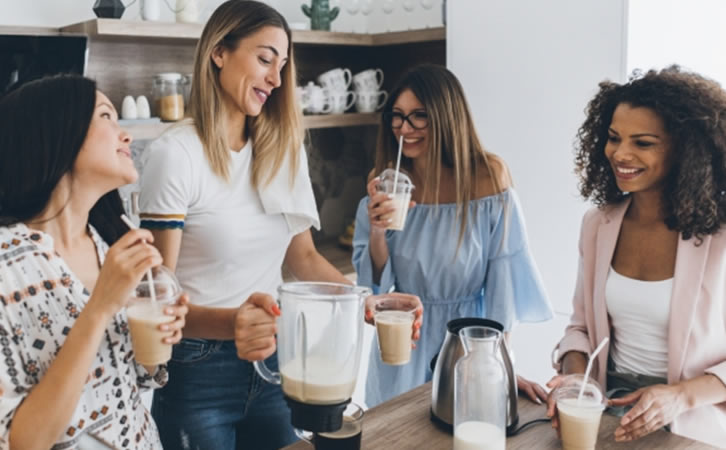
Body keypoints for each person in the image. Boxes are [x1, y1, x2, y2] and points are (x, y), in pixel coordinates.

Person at [137, 2, 419, 449]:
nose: (275, 78)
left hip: (273, 363)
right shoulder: (177, 155)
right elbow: (155, 301)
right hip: (196, 374)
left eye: (282, 66)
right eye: (265, 58)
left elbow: (303, 257)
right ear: (219, 52)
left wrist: (370, 302)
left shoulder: (283, 149)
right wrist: (234, 324)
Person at [0, 74, 188, 449]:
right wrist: (100, 307)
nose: (127, 136)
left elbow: (136, 378)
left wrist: (155, 344)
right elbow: (17, 442)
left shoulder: (109, 246)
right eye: (106, 116)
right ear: (56, 134)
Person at [352, 64, 554, 407]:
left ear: (447, 116)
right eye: (397, 116)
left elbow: (502, 284)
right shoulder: (388, 179)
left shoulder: (488, 177)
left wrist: (499, 362)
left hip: (466, 343)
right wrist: (375, 230)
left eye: (419, 116)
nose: (405, 128)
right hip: (403, 343)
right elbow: (375, 287)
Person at [547, 66, 726, 447]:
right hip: (605, 419)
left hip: (691, 427)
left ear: (686, 149)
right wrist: (575, 380)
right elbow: (579, 329)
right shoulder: (599, 224)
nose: (620, 154)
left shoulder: (721, 238)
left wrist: (679, 396)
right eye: (614, 138)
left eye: (643, 143)